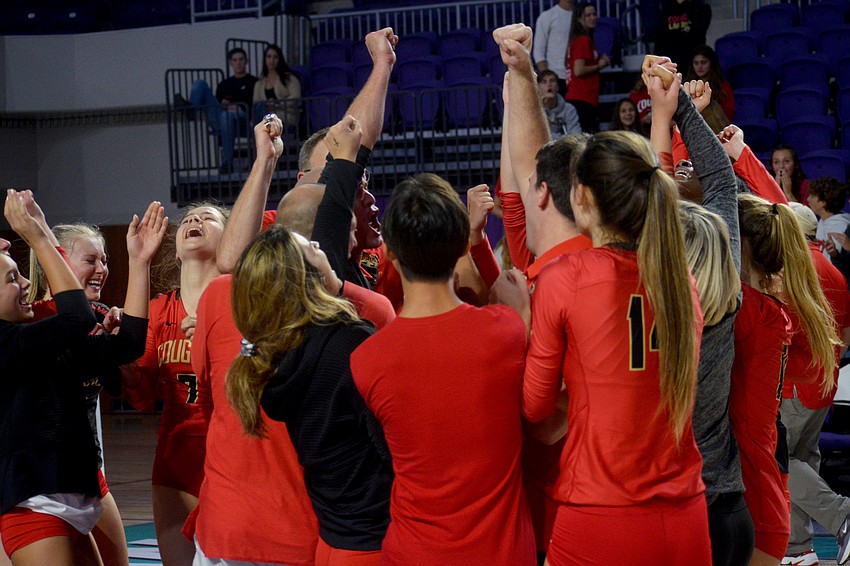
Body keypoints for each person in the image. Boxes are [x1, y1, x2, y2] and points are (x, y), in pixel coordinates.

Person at [521, 129, 711, 564]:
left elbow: (535, 408)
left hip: (601, 512)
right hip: (686, 515)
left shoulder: (565, 277)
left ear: (582, 195)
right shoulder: (682, 280)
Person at [350, 173, 535, 565]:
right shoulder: (506, 331)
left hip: (413, 552)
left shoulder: (366, 359)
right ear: (457, 250)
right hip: (501, 555)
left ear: (394, 258)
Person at [228, 131, 393, 564]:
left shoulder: (269, 353)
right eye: (312, 246)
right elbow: (394, 449)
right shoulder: (347, 338)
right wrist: (344, 162)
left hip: (332, 541)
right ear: (304, 273)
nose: (321, 243)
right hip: (378, 541)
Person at [0, 191, 165, 566]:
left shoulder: (52, 331)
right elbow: (76, 319)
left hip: (82, 482)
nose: (24, 283)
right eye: (13, 278)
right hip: (34, 497)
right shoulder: (15, 338)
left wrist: (139, 262)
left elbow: (129, 345)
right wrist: (40, 234)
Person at [493, 23, 591, 563]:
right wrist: (517, 81)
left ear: (547, 196)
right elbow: (529, 164)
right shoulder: (614, 260)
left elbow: (539, 409)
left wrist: (522, 320)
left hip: (571, 483)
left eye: (531, 186)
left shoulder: (558, 282)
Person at [650, 73, 756, 565]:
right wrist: (681, 112)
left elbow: (650, 209)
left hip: (679, 507)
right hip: (732, 511)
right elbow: (718, 179)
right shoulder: (729, 286)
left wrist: (664, 112)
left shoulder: (654, 307)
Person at [124, 203, 228, 566]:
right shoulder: (157, 310)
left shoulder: (244, 304)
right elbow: (141, 398)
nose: (195, 220)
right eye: (187, 218)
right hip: (175, 459)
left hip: (234, 456)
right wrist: (124, 368)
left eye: (208, 217)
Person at [26, 221, 129, 566]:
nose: (102, 269)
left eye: (104, 260)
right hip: (37, 482)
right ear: (58, 262)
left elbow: (126, 386)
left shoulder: (101, 317)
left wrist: (113, 344)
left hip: (87, 473)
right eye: (91, 260)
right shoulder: (30, 321)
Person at [189, 48, 258, 174]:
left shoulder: (253, 82)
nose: (238, 63)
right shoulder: (223, 84)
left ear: (246, 61)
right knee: (200, 84)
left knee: (227, 115)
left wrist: (238, 107)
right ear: (231, 63)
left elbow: (255, 106)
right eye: (235, 60)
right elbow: (219, 104)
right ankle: (190, 109)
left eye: (241, 59)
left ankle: (227, 163)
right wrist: (224, 105)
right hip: (222, 117)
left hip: (243, 119)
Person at [565, 2, 610, 132]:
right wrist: (600, 65)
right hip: (581, 99)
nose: (593, 18)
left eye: (594, 14)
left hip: (582, 99)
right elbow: (578, 70)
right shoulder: (583, 40)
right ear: (579, 19)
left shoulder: (579, 39)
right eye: (588, 15)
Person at [252, 44, 301, 128]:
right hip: (265, 113)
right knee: (260, 110)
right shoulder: (259, 83)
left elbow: (296, 97)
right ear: (265, 59)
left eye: (275, 57)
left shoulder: (289, 78)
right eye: (269, 57)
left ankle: (258, 137)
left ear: (280, 59)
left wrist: (276, 104)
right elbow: (256, 103)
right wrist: (267, 105)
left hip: (286, 113)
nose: (272, 60)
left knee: (265, 119)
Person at [533, 0, 574, 96]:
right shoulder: (547, 17)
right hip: (556, 76)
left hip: (578, 78)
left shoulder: (581, 16)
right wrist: (548, 80)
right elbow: (538, 52)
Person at [655, 0, 712, 70]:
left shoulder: (702, 8)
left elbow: (699, 30)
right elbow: (660, 41)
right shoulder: (664, 11)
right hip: (670, 64)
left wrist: (686, 4)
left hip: (693, 64)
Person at [685, 45, 734, 125]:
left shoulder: (723, 86)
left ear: (711, 63)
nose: (699, 66)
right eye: (696, 63)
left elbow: (729, 111)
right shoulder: (687, 85)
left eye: (703, 62)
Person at [807, 176, 850, 263]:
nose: (808, 199)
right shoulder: (824, 219)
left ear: (823, 202)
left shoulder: (840, 227)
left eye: (812, 196)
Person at [537, 70, 581, 139]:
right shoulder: (534, 110)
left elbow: (576, 136)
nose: (549, 84)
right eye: (544, 82)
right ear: (538, 88)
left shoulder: (569, 109)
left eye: (552, 81)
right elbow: (536, 134)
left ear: (557, 87)